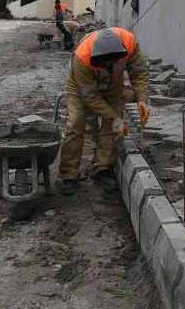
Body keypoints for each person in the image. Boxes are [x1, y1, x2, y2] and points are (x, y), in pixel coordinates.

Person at [58, 27, 151, 196]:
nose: (108, 64)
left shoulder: (129, 43)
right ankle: (69, 174)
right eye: (104, 62)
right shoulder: (82, 58)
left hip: (113, 86)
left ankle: (102, 169)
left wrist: (142, 100)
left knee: (113, 127)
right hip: (81, 89)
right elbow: (90, 96)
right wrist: (113, 117)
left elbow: (139, 73)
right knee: (76, 124)